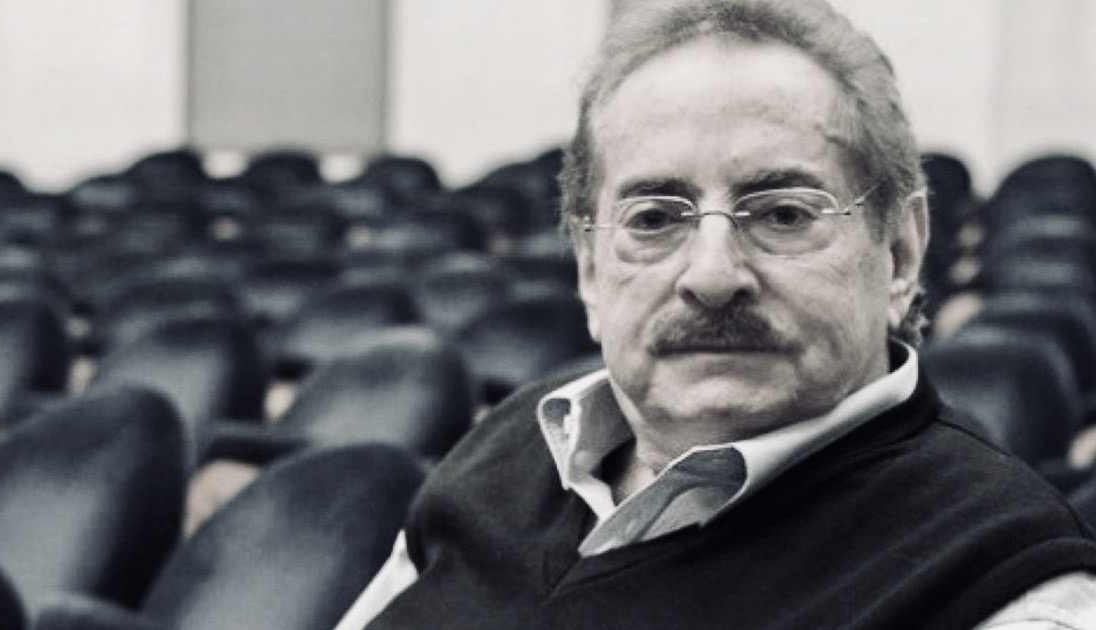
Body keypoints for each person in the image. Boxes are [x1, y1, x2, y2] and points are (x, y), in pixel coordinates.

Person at [336, 1, 1096, 628]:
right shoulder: (510, 440)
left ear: (898, 254)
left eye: (785, 214)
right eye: (654, 219)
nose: (711, 275)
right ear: (590, 269)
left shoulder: (1003, 584)